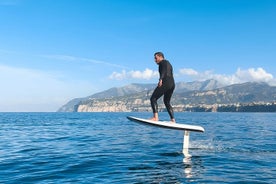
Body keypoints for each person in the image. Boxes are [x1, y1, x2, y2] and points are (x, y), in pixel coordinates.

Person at [150, 52, 175, 122]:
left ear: (161, 57)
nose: (155, 60)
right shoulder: (168, 63)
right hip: (172, 84)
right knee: (166, 102)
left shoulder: (163, 62)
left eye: (156, 58)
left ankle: (155, 117)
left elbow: (164, 71)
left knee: (153, 98)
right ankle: (173, 120)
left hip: (166, 82)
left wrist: (161, 79)